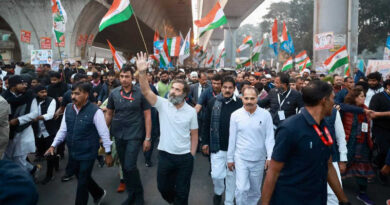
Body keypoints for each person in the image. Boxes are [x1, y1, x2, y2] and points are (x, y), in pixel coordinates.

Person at [261, 80, 350, 205]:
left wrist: (344, 200)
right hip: (290, 199)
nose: (334, 103)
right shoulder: (290, 128)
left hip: (317, 199)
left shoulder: (324, 126)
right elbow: (273, 171)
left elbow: (328, 165)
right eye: (332, 98)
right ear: (324, 100)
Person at [137, 52, 198, 205]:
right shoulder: (163, 104)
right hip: (165, 155)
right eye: (172, 88)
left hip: (184, 158)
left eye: (177, 90)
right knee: (163, 187)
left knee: (183, 192)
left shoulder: (191, 111)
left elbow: (194, 135)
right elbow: (145, 91)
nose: (173, 91)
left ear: (184, 94)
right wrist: (142, 72)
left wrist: (191, 155)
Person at [45, 82, 112, 205]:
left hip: (88, 152)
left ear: (86, 95)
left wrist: (108, 153)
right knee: (82, 177)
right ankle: (98, 193)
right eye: (72, 93)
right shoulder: (69, 109)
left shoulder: (95, 111)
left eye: (77, 93)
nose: (73, 97)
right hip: (73, 151)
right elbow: (63, 130)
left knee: (82, 184)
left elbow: (104, 133)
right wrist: (53, 145)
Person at [104, 66, 152, 205]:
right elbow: (109, 113)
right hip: (118, 134)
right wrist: (104, 132)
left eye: (127, 77)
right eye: (122, 76)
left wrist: (148, 138)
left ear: (133, 78)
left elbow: (148, 116)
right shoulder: (114, 93)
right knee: (125, 167)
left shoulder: (141, 93)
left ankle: (139, 196)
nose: (124, 79)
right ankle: (131, 195)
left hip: (135, 134)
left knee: (130, 166)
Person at [227, 86, 274, 205]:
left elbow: (269, 137)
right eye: (246, 98)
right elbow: (232, 138)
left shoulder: (265, 115)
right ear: (242, 98)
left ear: (257, 98)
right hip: (241, 158)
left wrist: (270, 157)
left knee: (255, 190)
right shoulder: (235, 115)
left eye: (252, 98)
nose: (249, 101)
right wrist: (230, 158)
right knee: (242, 189)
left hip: (258, 159)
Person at [202, 76, 243, 205]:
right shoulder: (212, 102)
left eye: (230, 88)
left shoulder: (240, 104)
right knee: (217, 175)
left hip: (235, 148)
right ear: (221, 88)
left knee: (231, 178)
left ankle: (229, 201)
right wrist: (205, 142)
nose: (227, 90)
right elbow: (206, 123)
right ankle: (218, 192)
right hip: (217, 146)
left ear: (234, 88)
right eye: (225, 87)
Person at [341, 86, 375, 205]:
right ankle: (332, 189)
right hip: (348, 143)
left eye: (364, 95)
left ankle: (362, 193)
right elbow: (342, 106)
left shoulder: (366, 109)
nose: (364, 98)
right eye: (361, 96)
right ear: (354, 97)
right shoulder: (346, 109)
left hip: (363, 144)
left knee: (362, 170)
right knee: (341, 166)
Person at [2, 75, 39, 175]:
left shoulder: (30, 96)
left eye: (25, 84)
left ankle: (26, 180)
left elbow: (35, 113)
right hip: (8, 133)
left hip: (24, 131)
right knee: (9, 158)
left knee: (19, 157)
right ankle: (31, 171)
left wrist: (18, 120)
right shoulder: (4, 97)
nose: (24, 86)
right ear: (13, 85)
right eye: (22, 84)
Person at [31, 85, 59, 184]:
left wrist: (37, 118)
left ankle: (49, 175)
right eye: (41, 92)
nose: (44, 94)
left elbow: (50, 115)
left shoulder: (51, 100)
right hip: (38, 132)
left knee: (49, 154)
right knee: (42, 152)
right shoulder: (33, 101)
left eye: (45, 92)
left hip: (48, 131)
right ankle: (56, 158)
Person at [369, 79, 390, 184]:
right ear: (388, 86)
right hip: (381, 129)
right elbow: (372, 114)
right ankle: (380, 169)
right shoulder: (377, 97)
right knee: (384, 151)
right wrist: (387, 114)